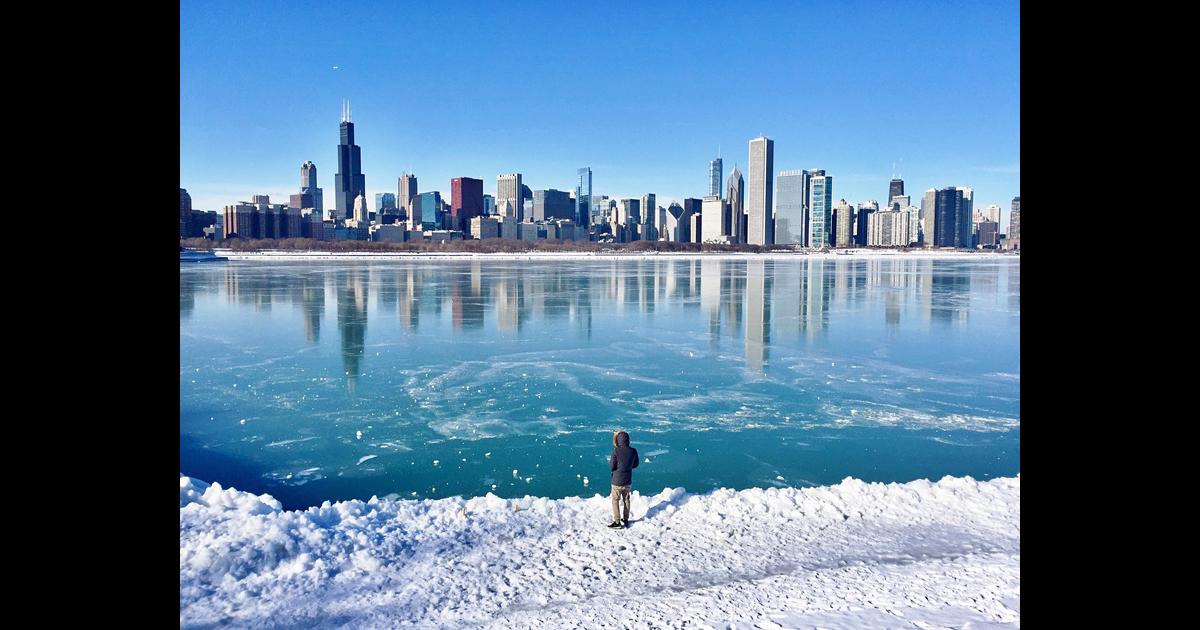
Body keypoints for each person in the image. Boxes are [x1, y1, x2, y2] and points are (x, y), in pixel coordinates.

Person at [608, 430, 639, 528]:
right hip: (627, 480)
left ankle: (617, 522)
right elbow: (636, 464)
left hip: (617, 480)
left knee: (615, 500)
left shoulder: (616, 451)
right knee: (626, 499)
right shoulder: (633, 451)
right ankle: (625, 518)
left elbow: (612, 466)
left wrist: (617, 469)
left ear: (618, 440)